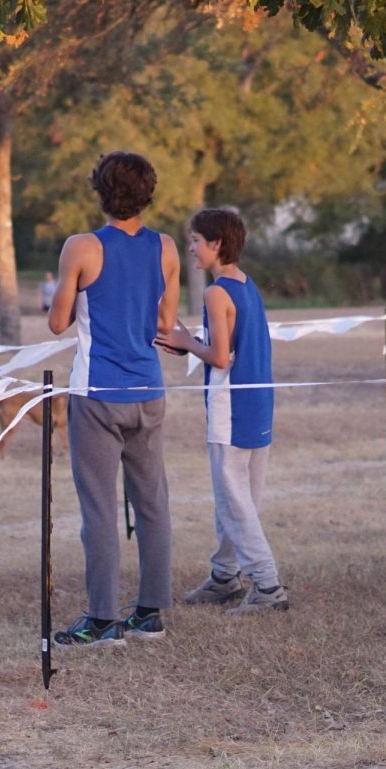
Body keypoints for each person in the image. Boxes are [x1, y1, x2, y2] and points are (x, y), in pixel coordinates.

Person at [48, 150, 181, 647]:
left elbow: (58, 322)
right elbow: (165, 324)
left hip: (98, 391)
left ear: (101, 191)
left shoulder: (82, 247)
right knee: (152, 502)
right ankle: (150, 614)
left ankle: (103, 620)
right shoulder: (166, 247)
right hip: (149, 390)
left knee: (100, 508)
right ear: (148, 191)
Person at [157, 208, 287, 614]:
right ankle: (224, 576)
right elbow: (231, 346)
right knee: (241, 496)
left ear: (216, 244)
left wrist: (183, 343)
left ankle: (267, 585)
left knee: (233, 500)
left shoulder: (216, 292)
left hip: (232, 408)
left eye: (195, 241)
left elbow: (219, 356)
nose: (191, 248)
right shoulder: (246, 284)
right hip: (259, 404)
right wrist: (194, 341)